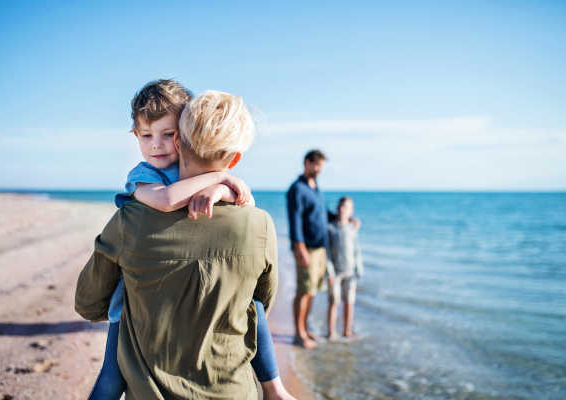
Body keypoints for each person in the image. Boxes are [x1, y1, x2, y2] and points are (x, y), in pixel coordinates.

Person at [78, 86, 293, 399]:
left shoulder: (131, 222)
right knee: (252, 305)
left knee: (113, 370)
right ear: (234, 159)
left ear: (179, 138)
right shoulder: (259, 224)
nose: (158, 145)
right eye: (147, 136)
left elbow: (87, 304)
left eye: (167, 134)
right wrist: (221, 180)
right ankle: (275, 389)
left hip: (150, 388)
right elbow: (260, 304)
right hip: (233, 391)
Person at [286, 150, 329, 349]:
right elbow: (294, 221)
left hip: (320, 249)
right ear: (307, 163)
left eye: (322, 166)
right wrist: (300, 247)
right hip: (307, 249)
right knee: (303, 291)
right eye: (317, 165)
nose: (319, 169)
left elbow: (321, 213)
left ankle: (306, 328)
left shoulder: (316, 188)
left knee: (312, 291)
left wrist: (342, 218)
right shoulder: (297, 189)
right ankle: (298, 334)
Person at [326, 197, 364, 339]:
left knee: (349, 302)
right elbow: (327, 252)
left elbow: (356, 250)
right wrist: (329, 272)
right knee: (333, 302)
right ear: (337, 208)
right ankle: (331, 332)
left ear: (351, 211)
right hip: (335, 273)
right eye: (341, 207)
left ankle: (347, 331)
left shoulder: (352, 228)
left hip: (350, 272)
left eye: (346, 207)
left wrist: (359, 268)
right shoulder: (330, 228)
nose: (342, 210)